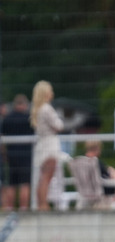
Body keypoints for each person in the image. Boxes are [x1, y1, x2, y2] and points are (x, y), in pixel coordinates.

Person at [29, 81, 64, 211]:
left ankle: (41, 203)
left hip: (42, 145)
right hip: (50, 145)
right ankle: (43, 204)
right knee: (47, 176)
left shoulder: (38, 109)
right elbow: (59, 125)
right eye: (50, 90)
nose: (52, 93)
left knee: (43, 176)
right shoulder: (47, 108)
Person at [1, 94, 34, 211]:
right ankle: (23, 208)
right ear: (25, 105)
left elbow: (3, 139)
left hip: (11, 156)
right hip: (26, 155)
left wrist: (4, 155)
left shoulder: (7, 119)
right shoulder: (29, 119)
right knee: (25, 183)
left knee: (11, 183)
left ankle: (9, 207)